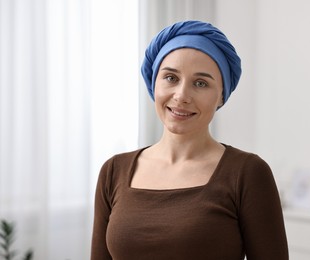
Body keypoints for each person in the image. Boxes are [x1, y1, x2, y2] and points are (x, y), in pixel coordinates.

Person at [91, 20, 288, 260]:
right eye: (171, 78)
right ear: (154, 83)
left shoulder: (247, 173)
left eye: (201, 83)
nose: (182, 96)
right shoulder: (114, 171)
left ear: (222, 96)